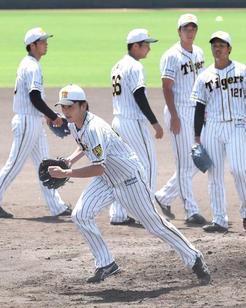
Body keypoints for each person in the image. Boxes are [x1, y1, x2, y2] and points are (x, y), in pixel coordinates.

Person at [48, 84, 210, 284]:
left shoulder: (94, 128)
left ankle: (193, 257)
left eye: (69, 107)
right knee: (80, 215)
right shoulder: (75, 124)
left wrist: (67, 172)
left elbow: (98, 167)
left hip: (129, 179)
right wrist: (69, 160)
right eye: (63, 107)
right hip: (106, 180)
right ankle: (106, 263)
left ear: (83, 106)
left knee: (155, 225)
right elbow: (84, 146)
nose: (65, 112)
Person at [0, 27, 70, 218]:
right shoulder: (32, 66)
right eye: (42, 41)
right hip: (26, 122)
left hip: (33, 120)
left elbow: (34, 99)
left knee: (45, 164)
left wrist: (46, 115)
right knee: (14, 163)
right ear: (32, 45)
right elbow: (34, 97)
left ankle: (57, 206)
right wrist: (53, 116)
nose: (46, 44)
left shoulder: (29, 64)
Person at [191, 31, 246, 233]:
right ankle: (219, 219)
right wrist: (196, 138)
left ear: (229, 48)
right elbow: (199, 108)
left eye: (221, 45)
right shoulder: (204, 76)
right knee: (214, 174)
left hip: (236, 125)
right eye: (214, 45)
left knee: (239, 169)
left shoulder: (243, 71)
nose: (217, 48)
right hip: (212, 127)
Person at [154, 13, 207, 225]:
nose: (190, 31)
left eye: (193, 28)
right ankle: (191, 210)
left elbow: (204, 82)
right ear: (179, 31)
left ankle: (164, 196)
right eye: (186, 28)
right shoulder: (171, 56)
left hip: (196, 111)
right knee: (185, 163)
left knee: (202, 160)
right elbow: (166, 87)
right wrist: (174, 116)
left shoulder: (200, 52)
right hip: (179, 112)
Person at [109, 28, 164, 225]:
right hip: (133, 122)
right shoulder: (135, 67)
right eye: (146, 44)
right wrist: (155, 123)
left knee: (123, 166)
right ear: (135, 46)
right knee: (147, 165)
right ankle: (146, 213)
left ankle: (118, 213)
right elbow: (139, 95)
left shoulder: (117, 65)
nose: (149, 48)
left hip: (117, 121)